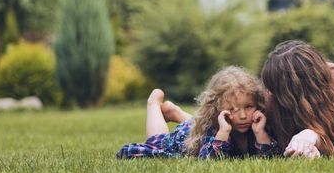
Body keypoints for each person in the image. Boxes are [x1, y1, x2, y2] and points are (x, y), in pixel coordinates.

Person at [116, 66, 281, 159]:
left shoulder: (258, 123)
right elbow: (208, 160)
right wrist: (223, 132)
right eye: (232, 110)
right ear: (217, 110)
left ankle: (175, 113)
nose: (243, 116)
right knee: (157, 141)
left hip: (197, 126)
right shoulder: (214, 128)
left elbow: (272, 157)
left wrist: (260, 133)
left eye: (249, 106)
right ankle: (154, 104)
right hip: (186, 135)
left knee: (197, 123)